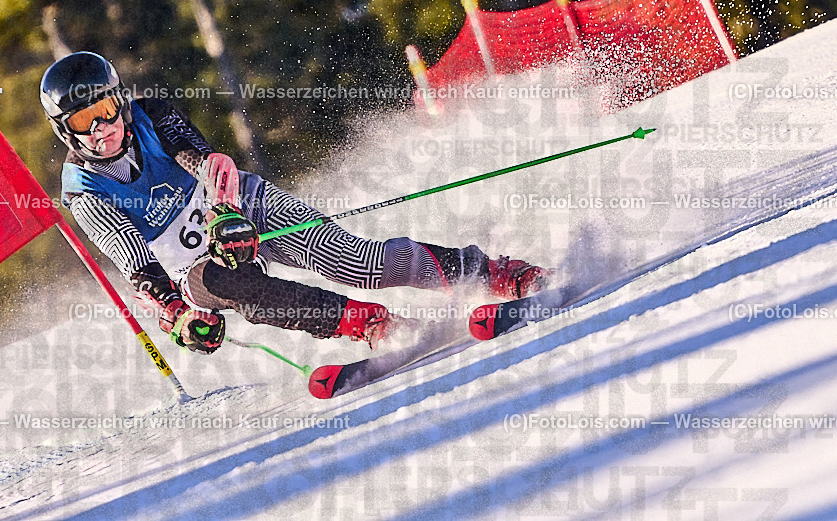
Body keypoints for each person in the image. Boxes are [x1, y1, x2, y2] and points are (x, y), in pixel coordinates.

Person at [40, 52, 547, 356]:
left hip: (238, 208)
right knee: (237, 286)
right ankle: (370, 324)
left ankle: (490, 272)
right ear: (66, 130)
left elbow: (199, 158)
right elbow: (132, 256)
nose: (102, 128)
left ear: (120, 101)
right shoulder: (83, 189)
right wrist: (176, 315)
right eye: (84, 122)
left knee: (356, 262)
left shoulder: (151, 115)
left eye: (106, 110)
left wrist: (225, 213)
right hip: (190, 267)